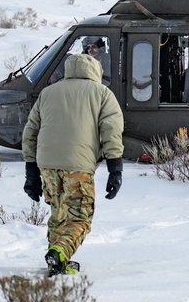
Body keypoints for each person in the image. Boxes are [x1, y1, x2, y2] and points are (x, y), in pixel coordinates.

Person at [22, 52, 124, 276]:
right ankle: (59, 252)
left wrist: (31, 172)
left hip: (47, 164)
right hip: (78, 165)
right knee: (80, 217)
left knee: (58, 213)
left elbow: (30, 131)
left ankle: (56, 261)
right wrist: (115, 169)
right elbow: (112, 131)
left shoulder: (47, 93)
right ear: (96, 71)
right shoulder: (102, 93)